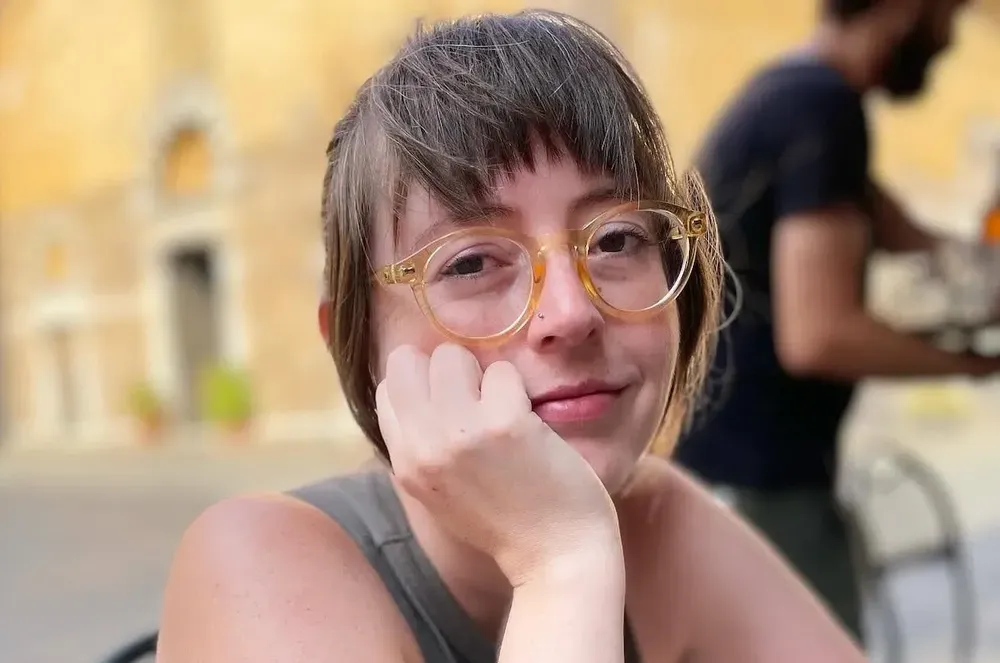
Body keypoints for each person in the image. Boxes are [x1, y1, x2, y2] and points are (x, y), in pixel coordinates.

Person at [156, 11, 867, 663]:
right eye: (470, 262)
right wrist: (561, 562)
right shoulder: (257, 562)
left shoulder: (660, 520)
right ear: (356, 340)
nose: (570, 312)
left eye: (617, 238)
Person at [673, 0, 995, 644]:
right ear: (907, 11)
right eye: (948, 19)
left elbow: (892, 227)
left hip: (723, 471)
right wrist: (974, 363)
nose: (950, 42)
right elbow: (819, 336)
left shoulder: (788, 90)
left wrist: (973, 270)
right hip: (766, 486)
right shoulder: (821, 109)